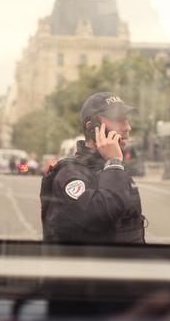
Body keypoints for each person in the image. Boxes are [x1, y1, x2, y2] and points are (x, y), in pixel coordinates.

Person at [40, 92, 146, 244]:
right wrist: (114, 162)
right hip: (91, 266)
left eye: (127, 120)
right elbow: (99, 216)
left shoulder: (112, 169)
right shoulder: (69, 174)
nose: (127, 127)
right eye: (118, 120)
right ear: (92, 127)